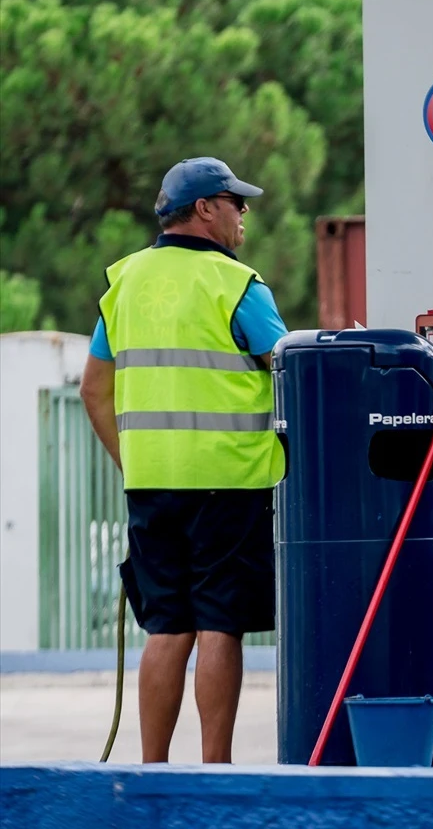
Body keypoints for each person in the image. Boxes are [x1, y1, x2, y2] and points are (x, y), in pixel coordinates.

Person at [78, 157, 288, 764]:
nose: (243, 213)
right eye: (234, 201)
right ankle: (214, 771)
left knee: (166, 627)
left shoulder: (123, 284)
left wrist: (132, 459)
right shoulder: (238, 287)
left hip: (151, 486)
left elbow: (94, 388)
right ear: (204, 210)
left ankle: (152, 772)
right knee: (221, 624)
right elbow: (294, 373)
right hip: (231, 482)